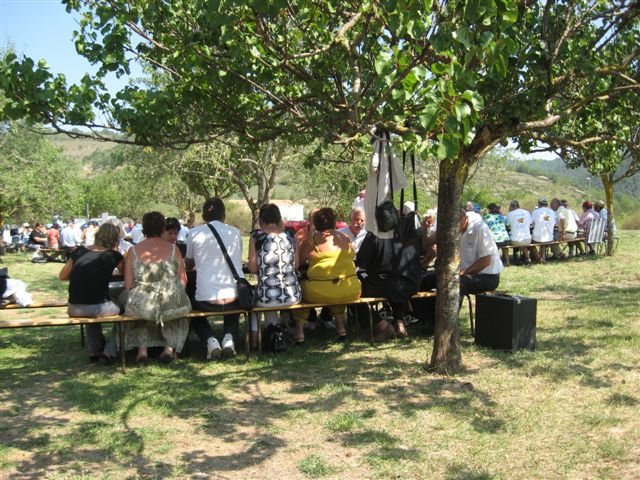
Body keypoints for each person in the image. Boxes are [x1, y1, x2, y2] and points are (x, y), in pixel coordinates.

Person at [120, 212, 191, 364]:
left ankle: (142, 350)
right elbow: (183, 279)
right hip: (170, 297)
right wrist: (177, 292)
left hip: (143, 300)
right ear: (162, 228)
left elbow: (128, 285)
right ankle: (169, 348)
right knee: (174, 306)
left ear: (144, 228)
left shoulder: (133, 251)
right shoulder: (174, 249)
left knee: (140, 307)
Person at [185, 198, 244, 359]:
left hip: (206, 299)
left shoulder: (194, 233)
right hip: (233, 297)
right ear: (224, 215)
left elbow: (188, 264)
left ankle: (210, 340)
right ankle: (229, 338)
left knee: (190, 305)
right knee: (233, 297)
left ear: (204, 217)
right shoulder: (235, 232)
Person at [356, 206, 424, 340]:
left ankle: (381, 325)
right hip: (411, 283)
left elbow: (362, 262)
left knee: (351, 291)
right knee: (393, 283)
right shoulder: (408, 230)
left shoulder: (374, 234)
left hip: (387, 284)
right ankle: (399, 322)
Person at [58, 223, 124, 362]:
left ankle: (95, 350)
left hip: (74, 307)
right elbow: (126, 273)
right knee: (127, 310)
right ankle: (110, 351)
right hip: (99, 307)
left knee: (91, 301)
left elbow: (62, 276)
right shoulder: (113, 255)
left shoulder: (79, 251)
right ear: (115, 239)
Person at [294, 207, 361, 343]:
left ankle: (299, 332)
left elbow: (297, 265)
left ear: (315, 223)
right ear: (334, 222)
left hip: (319, 292)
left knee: (299, 289)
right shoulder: (346, 238)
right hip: (350, 289)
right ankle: (341, 328)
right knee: (334, 284)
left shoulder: (311, 241)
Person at [247, 204, 302, 346]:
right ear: (279, 218)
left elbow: (252, 268)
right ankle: (278, 333)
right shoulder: (290, 235)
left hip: (268, 298)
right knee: (271, 293)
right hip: (293, 295)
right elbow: (296, 265)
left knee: (254, 300)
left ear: (261, 220)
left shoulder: (256, 237)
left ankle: (256, 340)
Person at [422, 209, 504, 297]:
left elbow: (486, 261)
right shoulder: (450, 227)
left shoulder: (479, 228)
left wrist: (462, 273)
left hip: (487, 276)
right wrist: (425, 228)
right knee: (426, 280)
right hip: (461, 273)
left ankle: (451, 306)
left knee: (454, 284)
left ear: (463, 218)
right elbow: (427, 243)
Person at [505, 200, 534, 264]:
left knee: (515, 237)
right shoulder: (526, 212)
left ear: (511, 206)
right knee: (521, 240)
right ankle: (527, 258)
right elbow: (531, 224)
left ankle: (515, 257)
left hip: (516, 241)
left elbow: (507, 226)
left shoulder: (510, 214)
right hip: (528, 239)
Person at [531, 198, 556, 262]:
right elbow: (554, 223)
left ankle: (538, 257)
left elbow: (531, 223)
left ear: (539, 204)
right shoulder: (552, 212)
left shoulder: (535, 212)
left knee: (530, 242)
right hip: (549, 237)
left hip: (538, 237)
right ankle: (543, 257)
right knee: (543, 240)